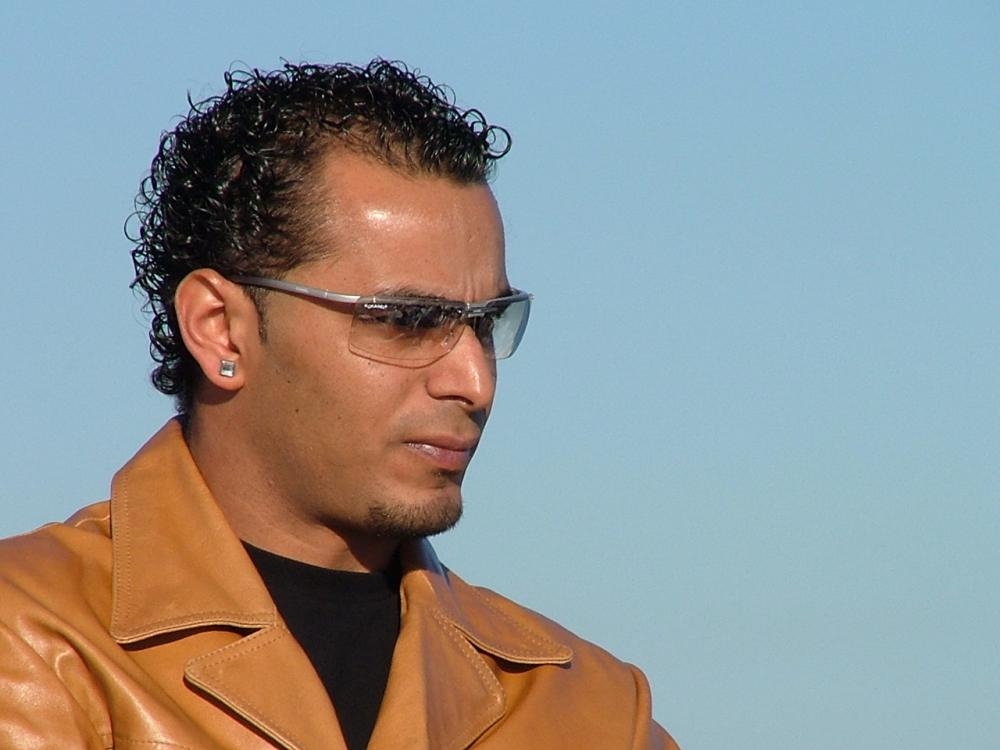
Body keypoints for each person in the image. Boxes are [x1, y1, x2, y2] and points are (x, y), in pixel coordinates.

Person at [0, 60, 679, 749]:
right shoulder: (31, 640)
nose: (474, 381)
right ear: (219, 328)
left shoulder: (591, 710)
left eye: (486, 324)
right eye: (407, 319)